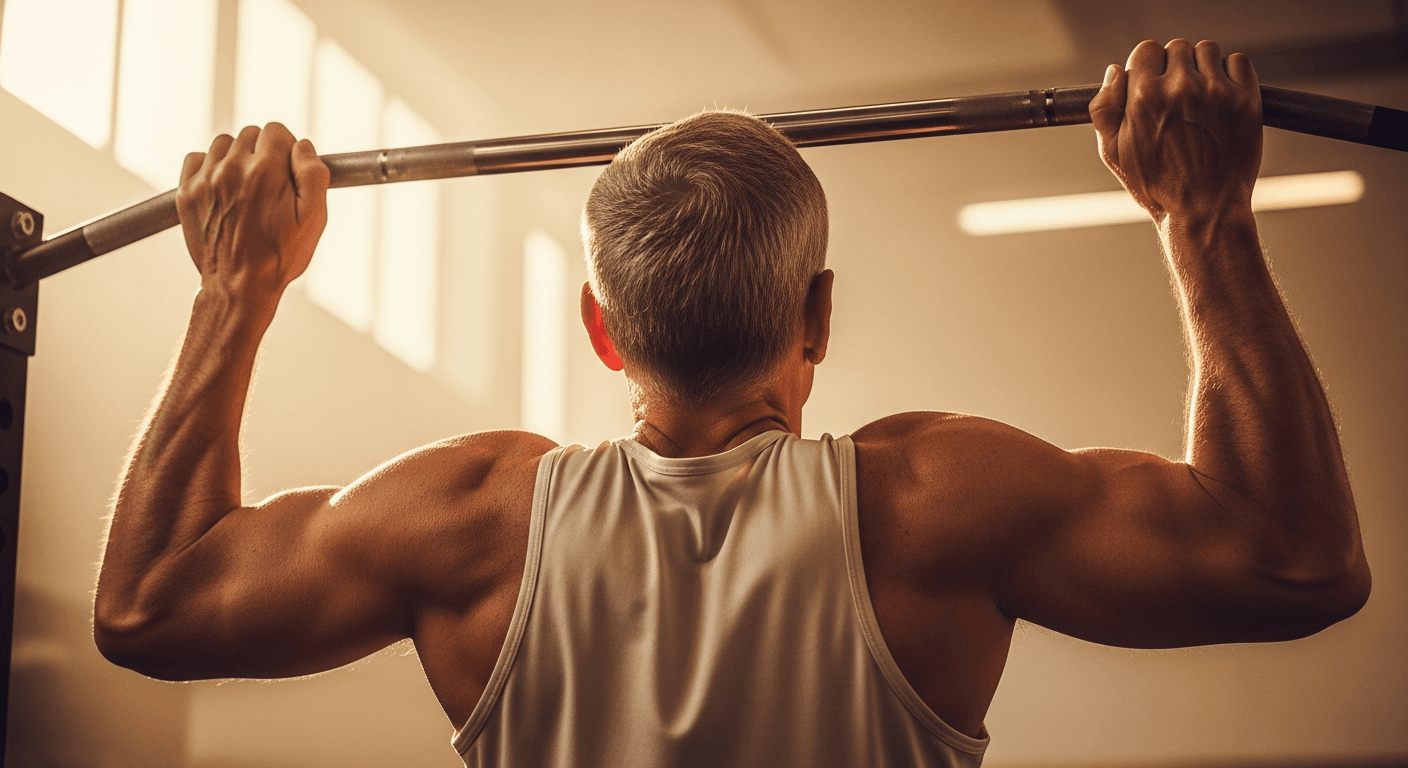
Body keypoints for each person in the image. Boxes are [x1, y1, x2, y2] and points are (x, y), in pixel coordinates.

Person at [93, 39, 1370, 767]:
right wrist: (1202, 221)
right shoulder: (930, 503)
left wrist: (236, 288)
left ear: (601, 330)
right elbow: (1297, 562)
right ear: (817, 315)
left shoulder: (473, 516)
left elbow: (148, 605)